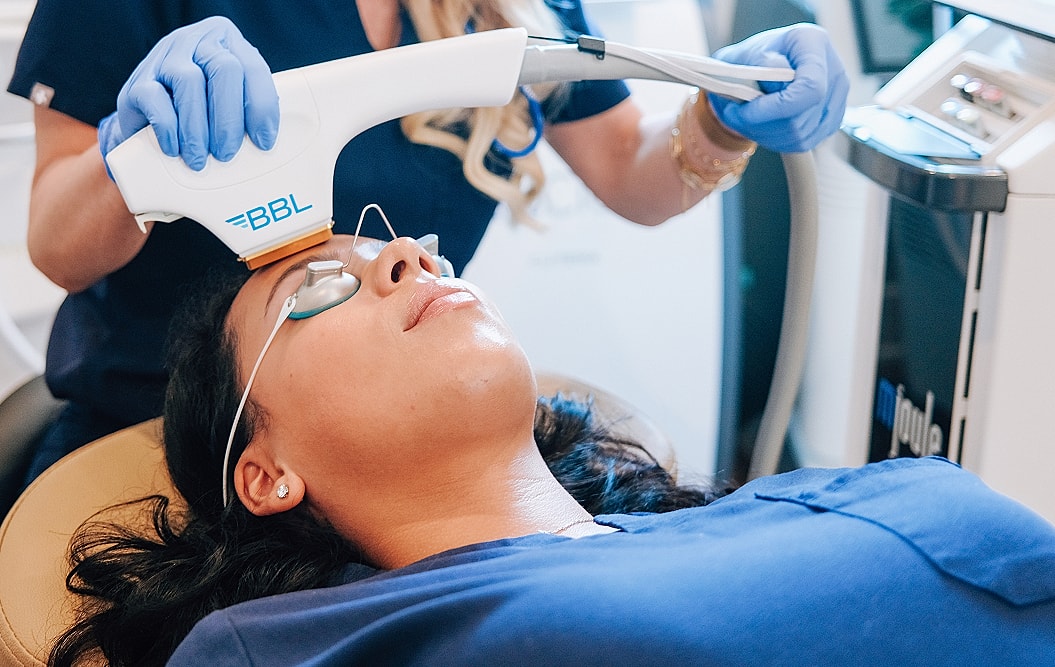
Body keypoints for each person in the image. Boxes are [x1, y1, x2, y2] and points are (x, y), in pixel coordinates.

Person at [52, 234, 1055, 666]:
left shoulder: (790, 499)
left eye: (404, 249)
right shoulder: (287, 647)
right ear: (265, 473)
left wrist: (706, 131)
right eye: (319, 290)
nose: (411, 256)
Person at [6, 0, 849, 488]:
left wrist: (719, 114)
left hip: (387, 453)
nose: (412, 255)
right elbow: (58, 245)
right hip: (157, 438)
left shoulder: (506, 8)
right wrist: (129, 155)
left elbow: (630, 165)